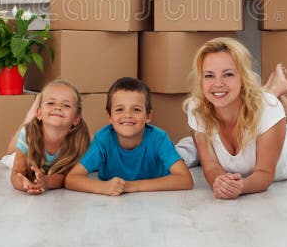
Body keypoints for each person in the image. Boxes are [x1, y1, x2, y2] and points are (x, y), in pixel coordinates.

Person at [179, 37, 287, 200]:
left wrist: (241, 187)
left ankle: (278, 96)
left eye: (228, 74)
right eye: (209, 75)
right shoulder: (197, 109)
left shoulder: (267, 108)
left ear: (243, 78)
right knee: (267, 106)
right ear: (201, 80)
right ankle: (273, 94)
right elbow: (210, 166)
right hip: (267, 126)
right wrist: (220, 182)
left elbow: (264, 174)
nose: (218, 83)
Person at [65, 77, 193, 196]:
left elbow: (185, 180)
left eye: (136, 109)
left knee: (187, 154)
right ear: (109, 116)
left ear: (148, 116)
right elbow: (71, 179)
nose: (128, 115)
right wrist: (103, 187)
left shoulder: (159, 138)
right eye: (120, 109)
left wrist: (130, 186)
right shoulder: (103, 140)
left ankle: (191, 143)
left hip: (167, 161)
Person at [3, 79, 91, 195]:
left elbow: (64, 177)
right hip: (30, 150)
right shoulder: (28, 135)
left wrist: (46, 181)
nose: (58, 107)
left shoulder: (78, 142)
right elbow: (16, 174)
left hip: (54, 162)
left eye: (66, 105)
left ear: (76, 119)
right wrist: (25, 185)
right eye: (51, 103)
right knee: (10, 153)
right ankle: (30, 116)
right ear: (39, 113)